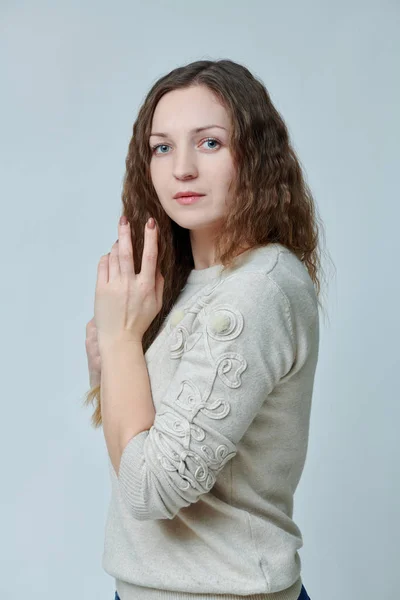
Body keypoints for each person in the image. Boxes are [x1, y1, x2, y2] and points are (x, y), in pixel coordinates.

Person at [84, 58, 330, 600]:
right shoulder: (182, 283)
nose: (183, 169)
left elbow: (148, 489)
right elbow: (144, 437)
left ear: (257, 156)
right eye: (162, 147)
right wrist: (114, 355)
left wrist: (122, 341)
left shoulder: (258, 288)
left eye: (211, 143)